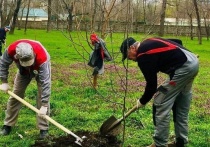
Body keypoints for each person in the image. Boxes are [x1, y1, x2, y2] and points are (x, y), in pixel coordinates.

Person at [120, 37, 199, 147]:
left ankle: (159, 144)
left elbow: (152, 86)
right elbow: (177, 41)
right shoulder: (149, 41)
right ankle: (180, 142)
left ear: (132, 48)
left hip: (183, 69)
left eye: (127, 55)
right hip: (192, 62)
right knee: (180, 103)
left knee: (160, 101)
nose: (130, 59)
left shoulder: (143, 55)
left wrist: (142, 101)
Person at [0, 39, 51, 139]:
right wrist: (4, 81)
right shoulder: (11, 50)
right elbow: (3, 64)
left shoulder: (42, 57)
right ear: (17, 56)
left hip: (39, 68)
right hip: (23, 71)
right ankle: (8, 125)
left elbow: (46, 82)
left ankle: (43, 129)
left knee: (42, 97)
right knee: (16, 95)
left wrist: (44, 105)